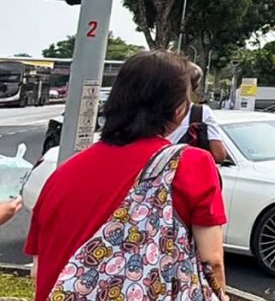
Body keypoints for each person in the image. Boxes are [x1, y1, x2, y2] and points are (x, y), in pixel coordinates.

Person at [26, 51, 226, 301]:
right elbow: (212, 262)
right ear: (178, 110)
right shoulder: (190, 164)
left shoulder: (61, 174)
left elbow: (38, 269)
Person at [168, 62, 228, 164]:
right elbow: (219, 155)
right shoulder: (201, 113)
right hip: (186, 171)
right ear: (194, 86)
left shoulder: (147, 110)